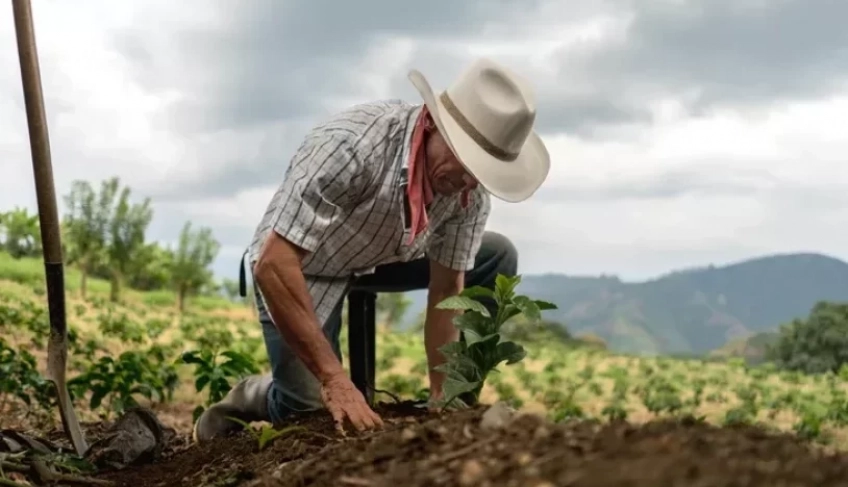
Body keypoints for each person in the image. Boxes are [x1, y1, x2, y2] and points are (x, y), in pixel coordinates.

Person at [192, 57, 551, 443]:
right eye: (465, 162)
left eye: (480, 173)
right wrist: (334, 379)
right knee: (308, 412)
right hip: (303, 263)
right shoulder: (351, 147)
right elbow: (274, 263)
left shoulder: (467, 191)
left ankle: (458, 405)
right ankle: (254, 394)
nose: (467, 182)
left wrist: (443, 398)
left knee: (496, 254)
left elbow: (447, 290)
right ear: (432, 124)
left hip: (383, 254)